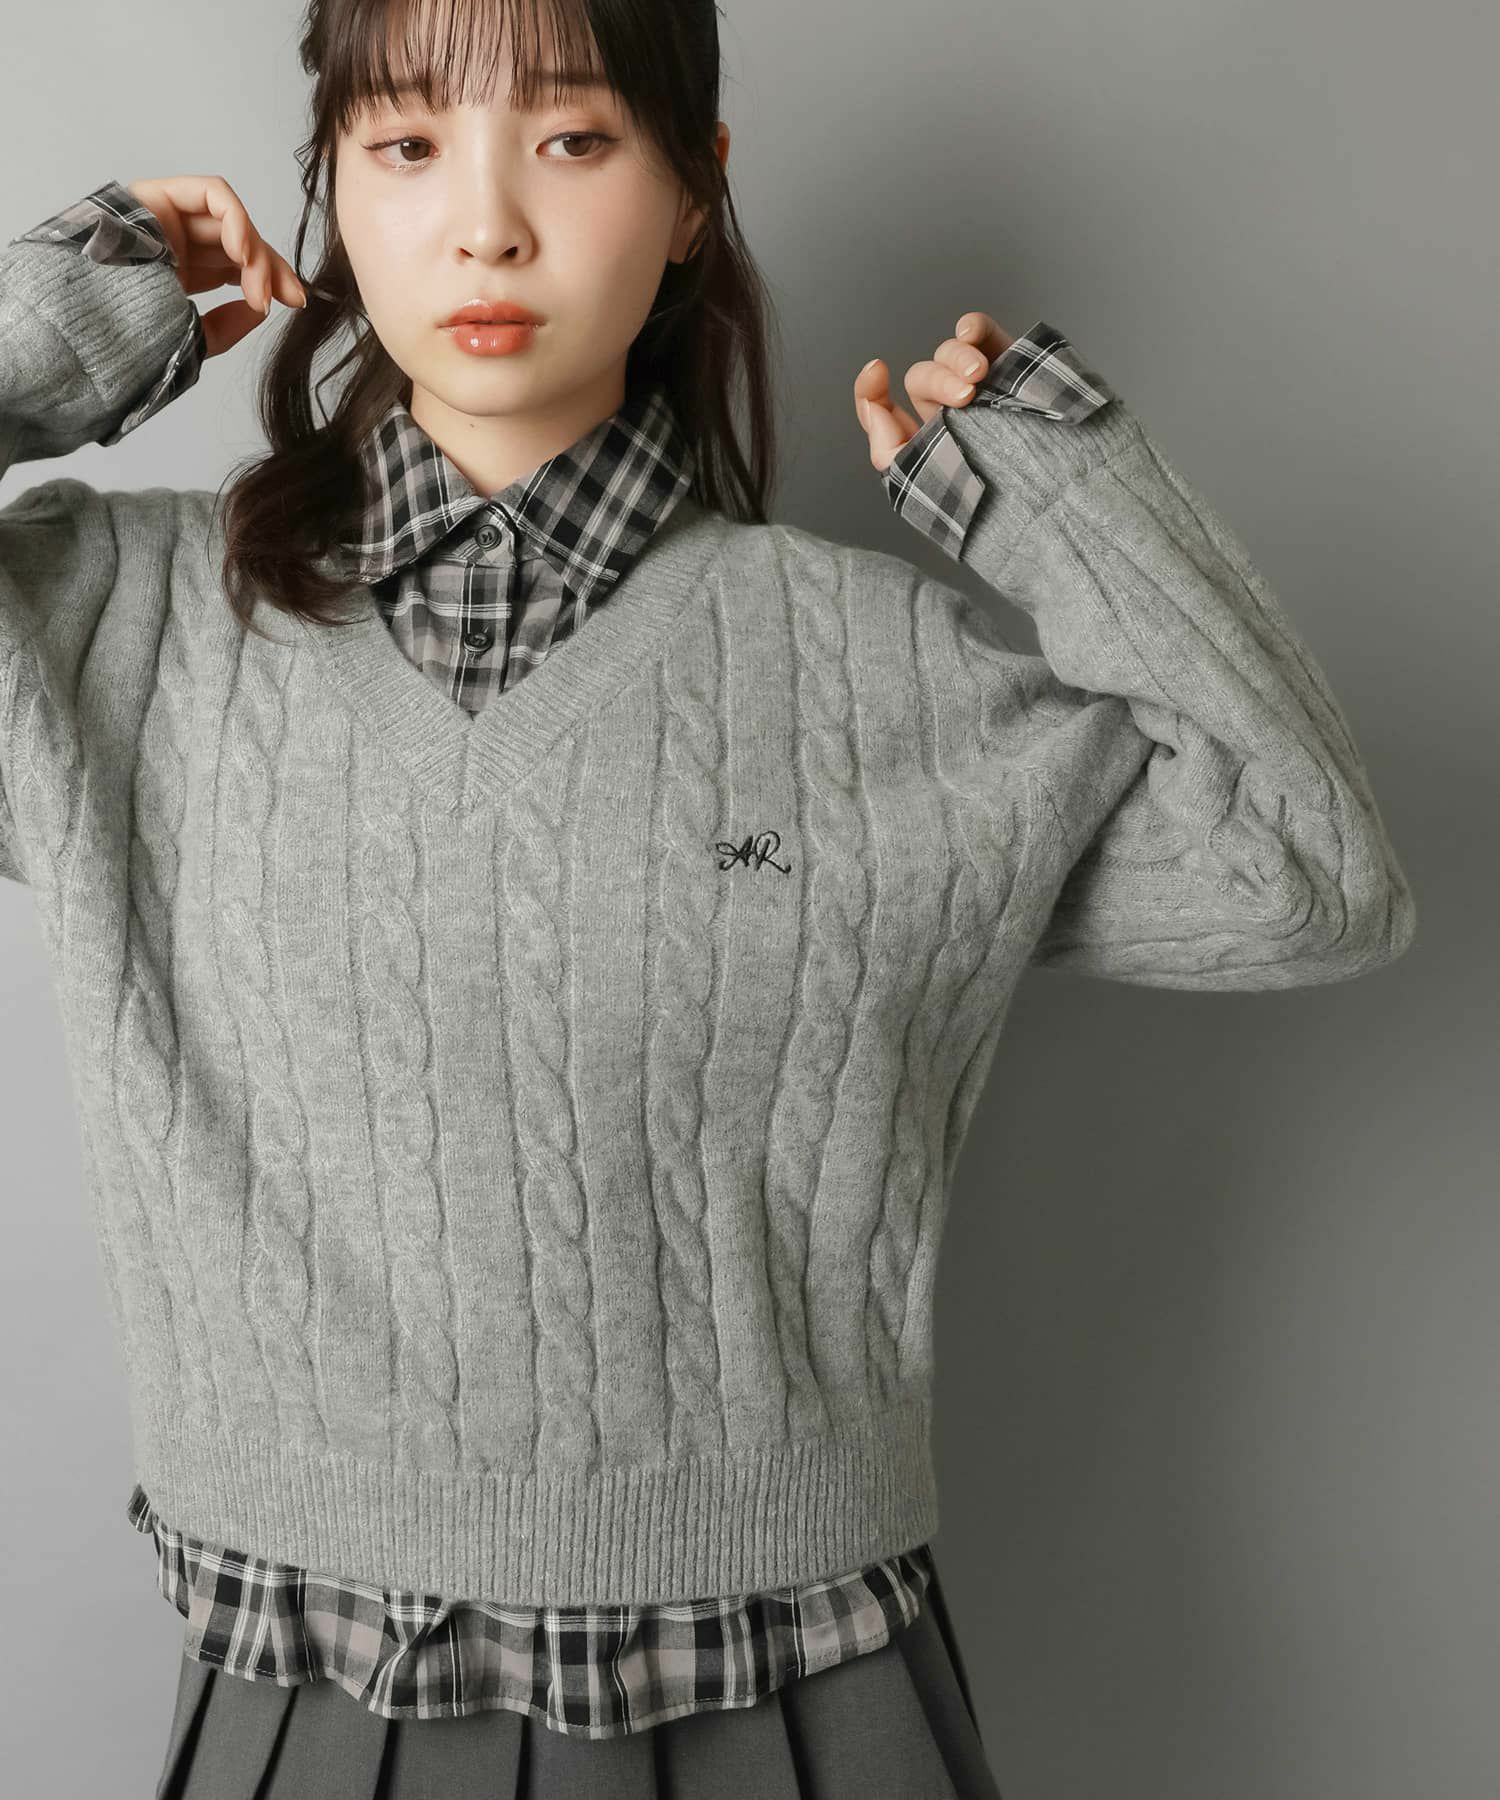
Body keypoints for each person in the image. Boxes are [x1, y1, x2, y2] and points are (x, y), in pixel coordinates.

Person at [0, 0, 1416, 1794]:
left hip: (800, 1694)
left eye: (573, 140)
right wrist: (57, 325)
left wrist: (1067, 498)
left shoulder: (881, 671)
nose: (486, 224)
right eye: (408, 146)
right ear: (333, 197)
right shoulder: (119, 630)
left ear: (692, 194)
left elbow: (1309, 878)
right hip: (307, 1688)